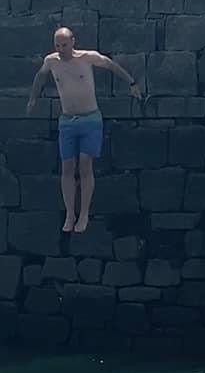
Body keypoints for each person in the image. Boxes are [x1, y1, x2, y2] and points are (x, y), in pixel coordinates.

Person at [26, 27, 142, 233]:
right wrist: (33, 98)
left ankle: (84, 214)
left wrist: (131, 83)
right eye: (57, 45)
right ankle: (70, 213)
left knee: (85, 165)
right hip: (67, 121)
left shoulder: (87, 58)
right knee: (68, 167)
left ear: (73, 42)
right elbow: (39, 77)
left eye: (64, 45)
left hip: (90, 120)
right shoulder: (51, 61)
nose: (61, 49)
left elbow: (111, 66)